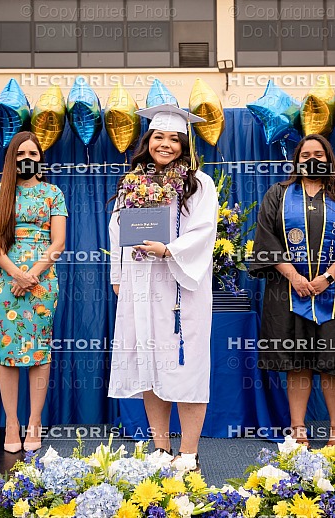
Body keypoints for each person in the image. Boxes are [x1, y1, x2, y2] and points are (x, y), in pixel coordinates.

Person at [108, 104, 218, 470]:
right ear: (148, 140)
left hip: (180, 287)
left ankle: (188, 453)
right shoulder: (132, 183)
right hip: (140, 283)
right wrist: (118, 277)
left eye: (175, 138)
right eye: (159, 136)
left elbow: (204, 232)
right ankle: (160, 448)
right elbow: (116, 231)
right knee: (149, 363)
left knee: (186, 367)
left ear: (185, 145)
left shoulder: (199, 183)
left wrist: (168, 249)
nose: (166, 144)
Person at [249, 133, 335, 448]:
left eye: (319, 153)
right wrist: (294, 277)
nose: (312, 159)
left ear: (329, 159)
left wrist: (329, 276)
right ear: (296, 160)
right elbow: (266, 238)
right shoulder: (279, 194)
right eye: (306, 153)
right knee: (297, 361)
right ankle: (298, 429)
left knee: (334, 362)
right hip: (288, 292)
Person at [0, 131, 68, 453]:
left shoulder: (53, 192)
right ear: (12, 158)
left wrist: (32, 276)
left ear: (40, 158)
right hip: (4, 280)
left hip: (42, 281)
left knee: (39, 352)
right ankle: (12, 421)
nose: (28, 159)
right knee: (6, 352)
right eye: (21, 154)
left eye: (33, 154)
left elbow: (59, 242)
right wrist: (14, 273)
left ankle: (35, 421)